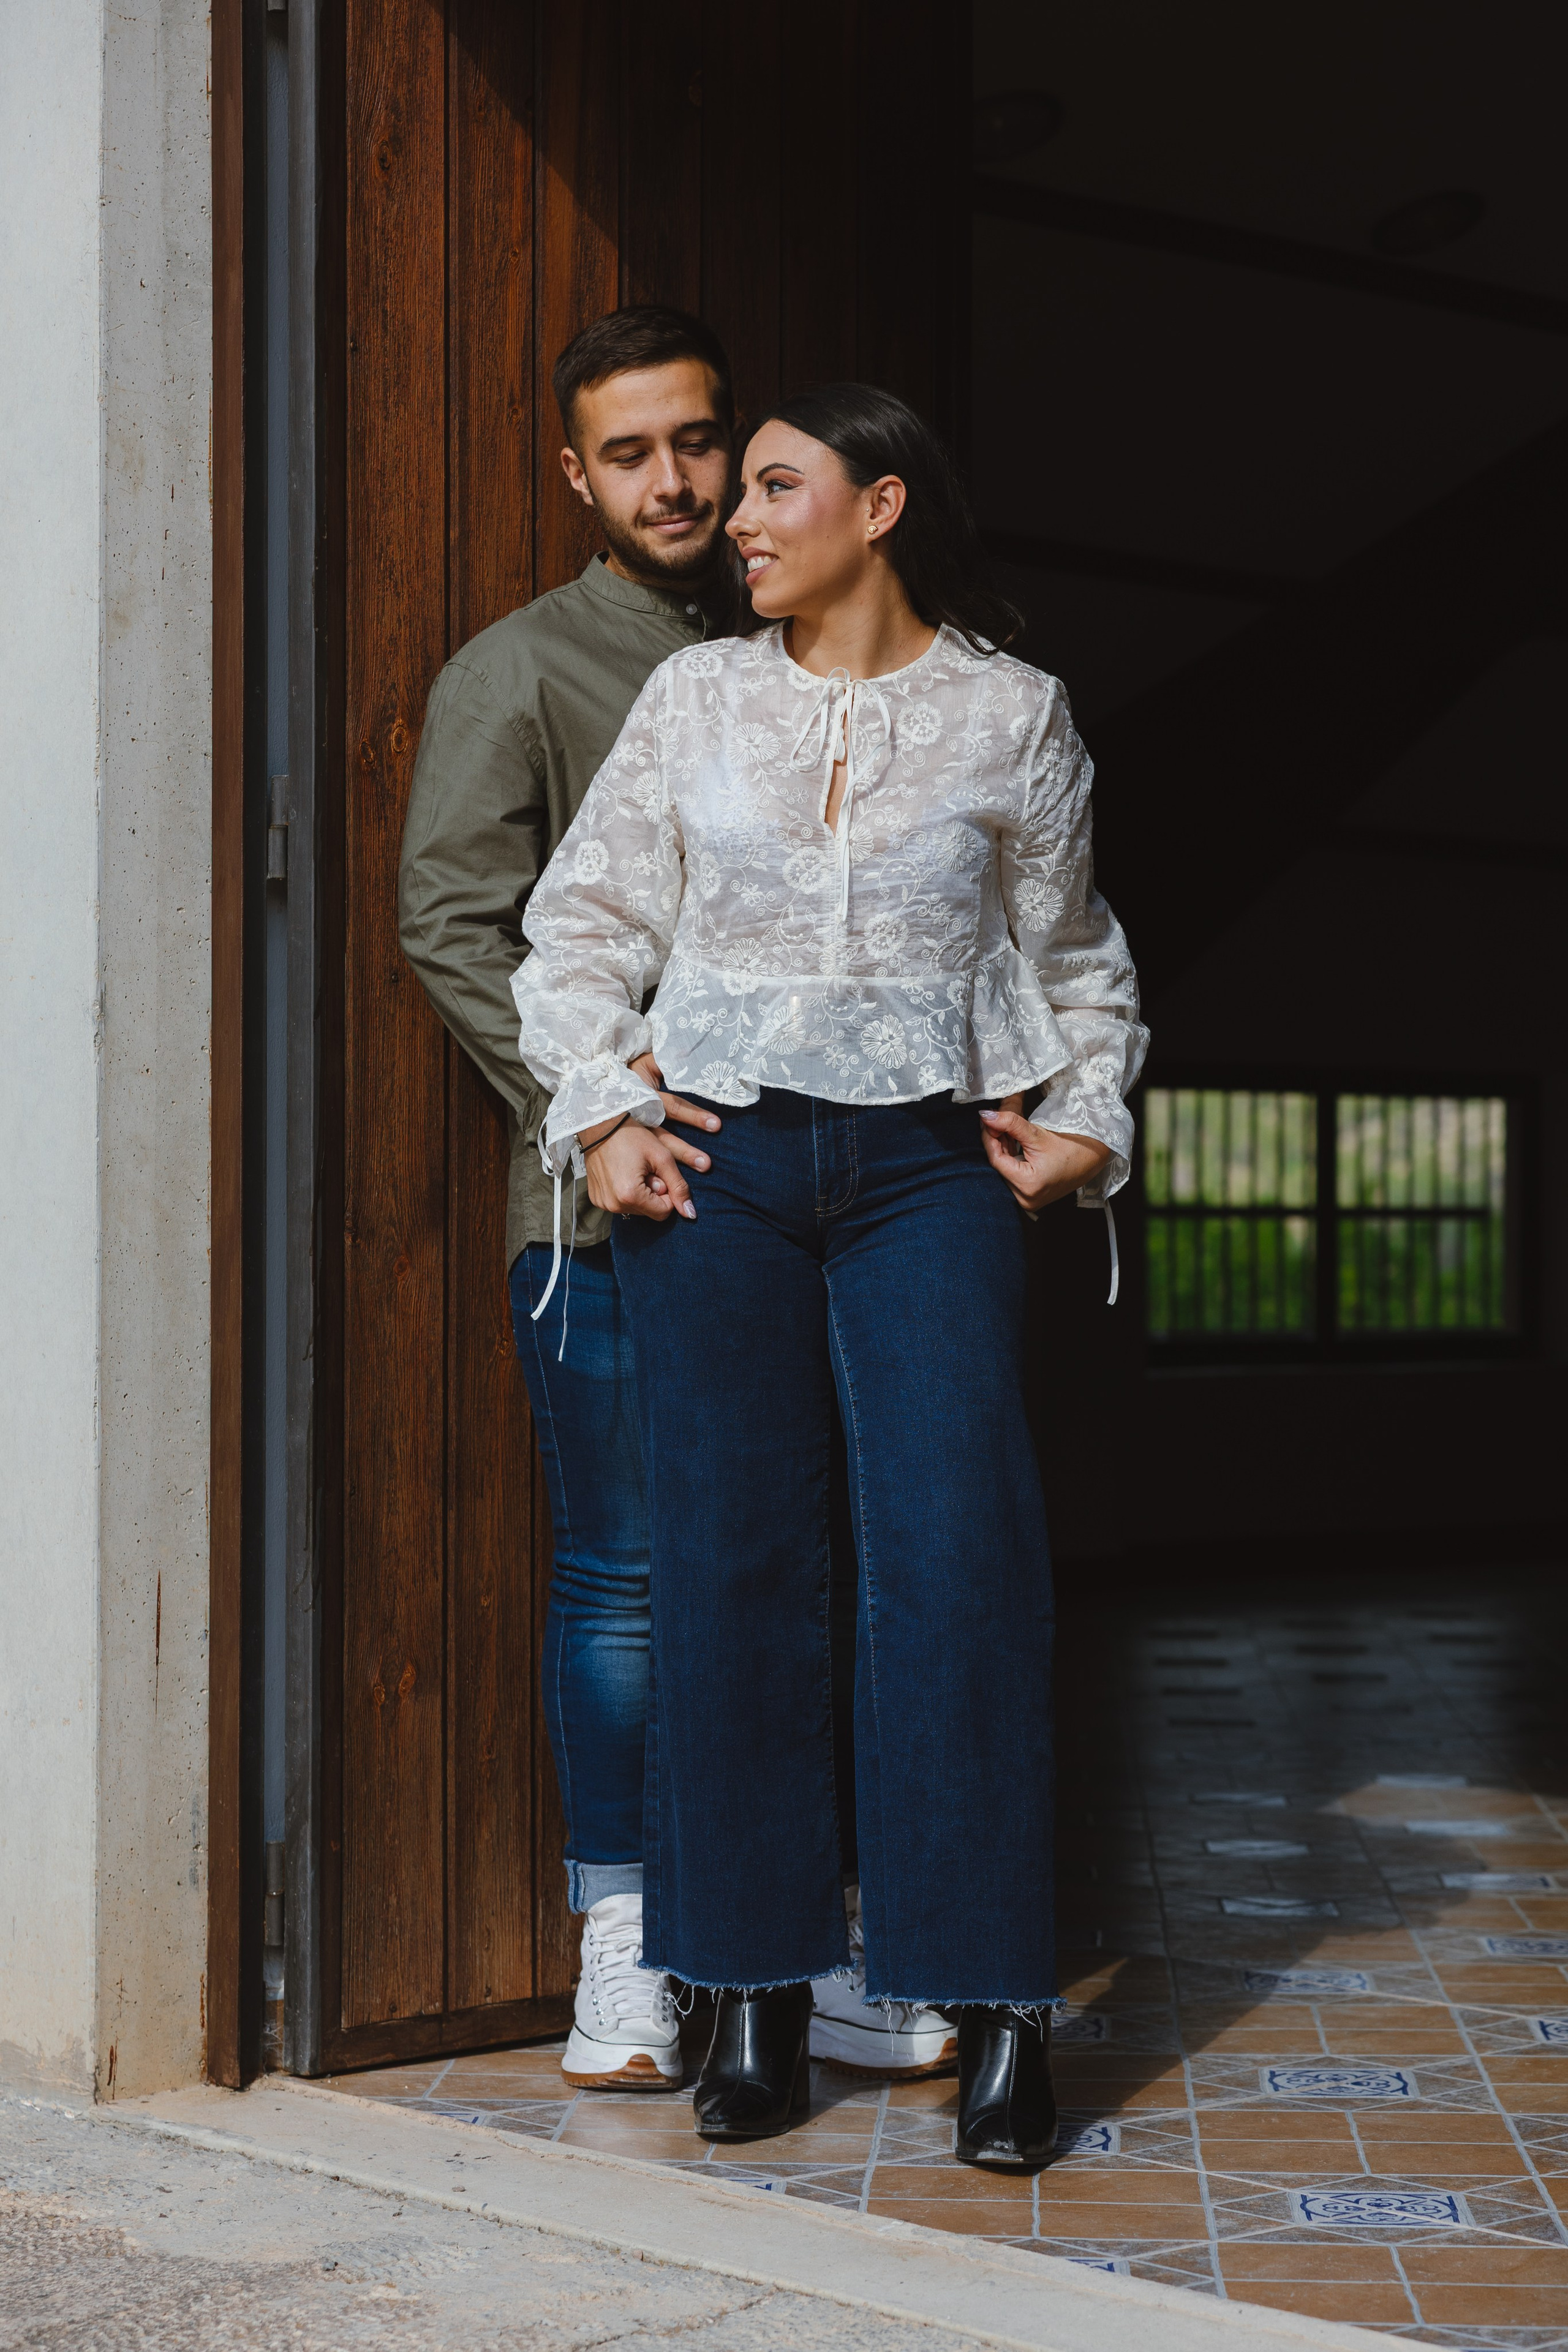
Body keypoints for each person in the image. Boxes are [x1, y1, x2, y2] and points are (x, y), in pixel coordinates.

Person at [512, 383, 1147, 2165]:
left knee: (958, 1557)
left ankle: (994, 2001)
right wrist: (606, 1106)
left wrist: (1089, 1118)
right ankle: (752, 1990)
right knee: (733, 1568)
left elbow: (1077, 958)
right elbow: (578, 931)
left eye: (775, 486)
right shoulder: (697, 698)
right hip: (720, 1173)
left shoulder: (1014, 714)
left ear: (881, 507)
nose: (738, 516)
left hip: (935, 1172)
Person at [399, 314, 952, 2094]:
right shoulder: (522, 668)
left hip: (833, 1204)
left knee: (817, 1566)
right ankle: (630, 1945)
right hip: (609, 1214)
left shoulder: (821, 650)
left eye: (698, 443)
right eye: (628, 454)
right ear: (578, 475)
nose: (674, 482)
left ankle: (813, 1939)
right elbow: (451, 924)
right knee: (632, 1576)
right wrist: (606, 1109)